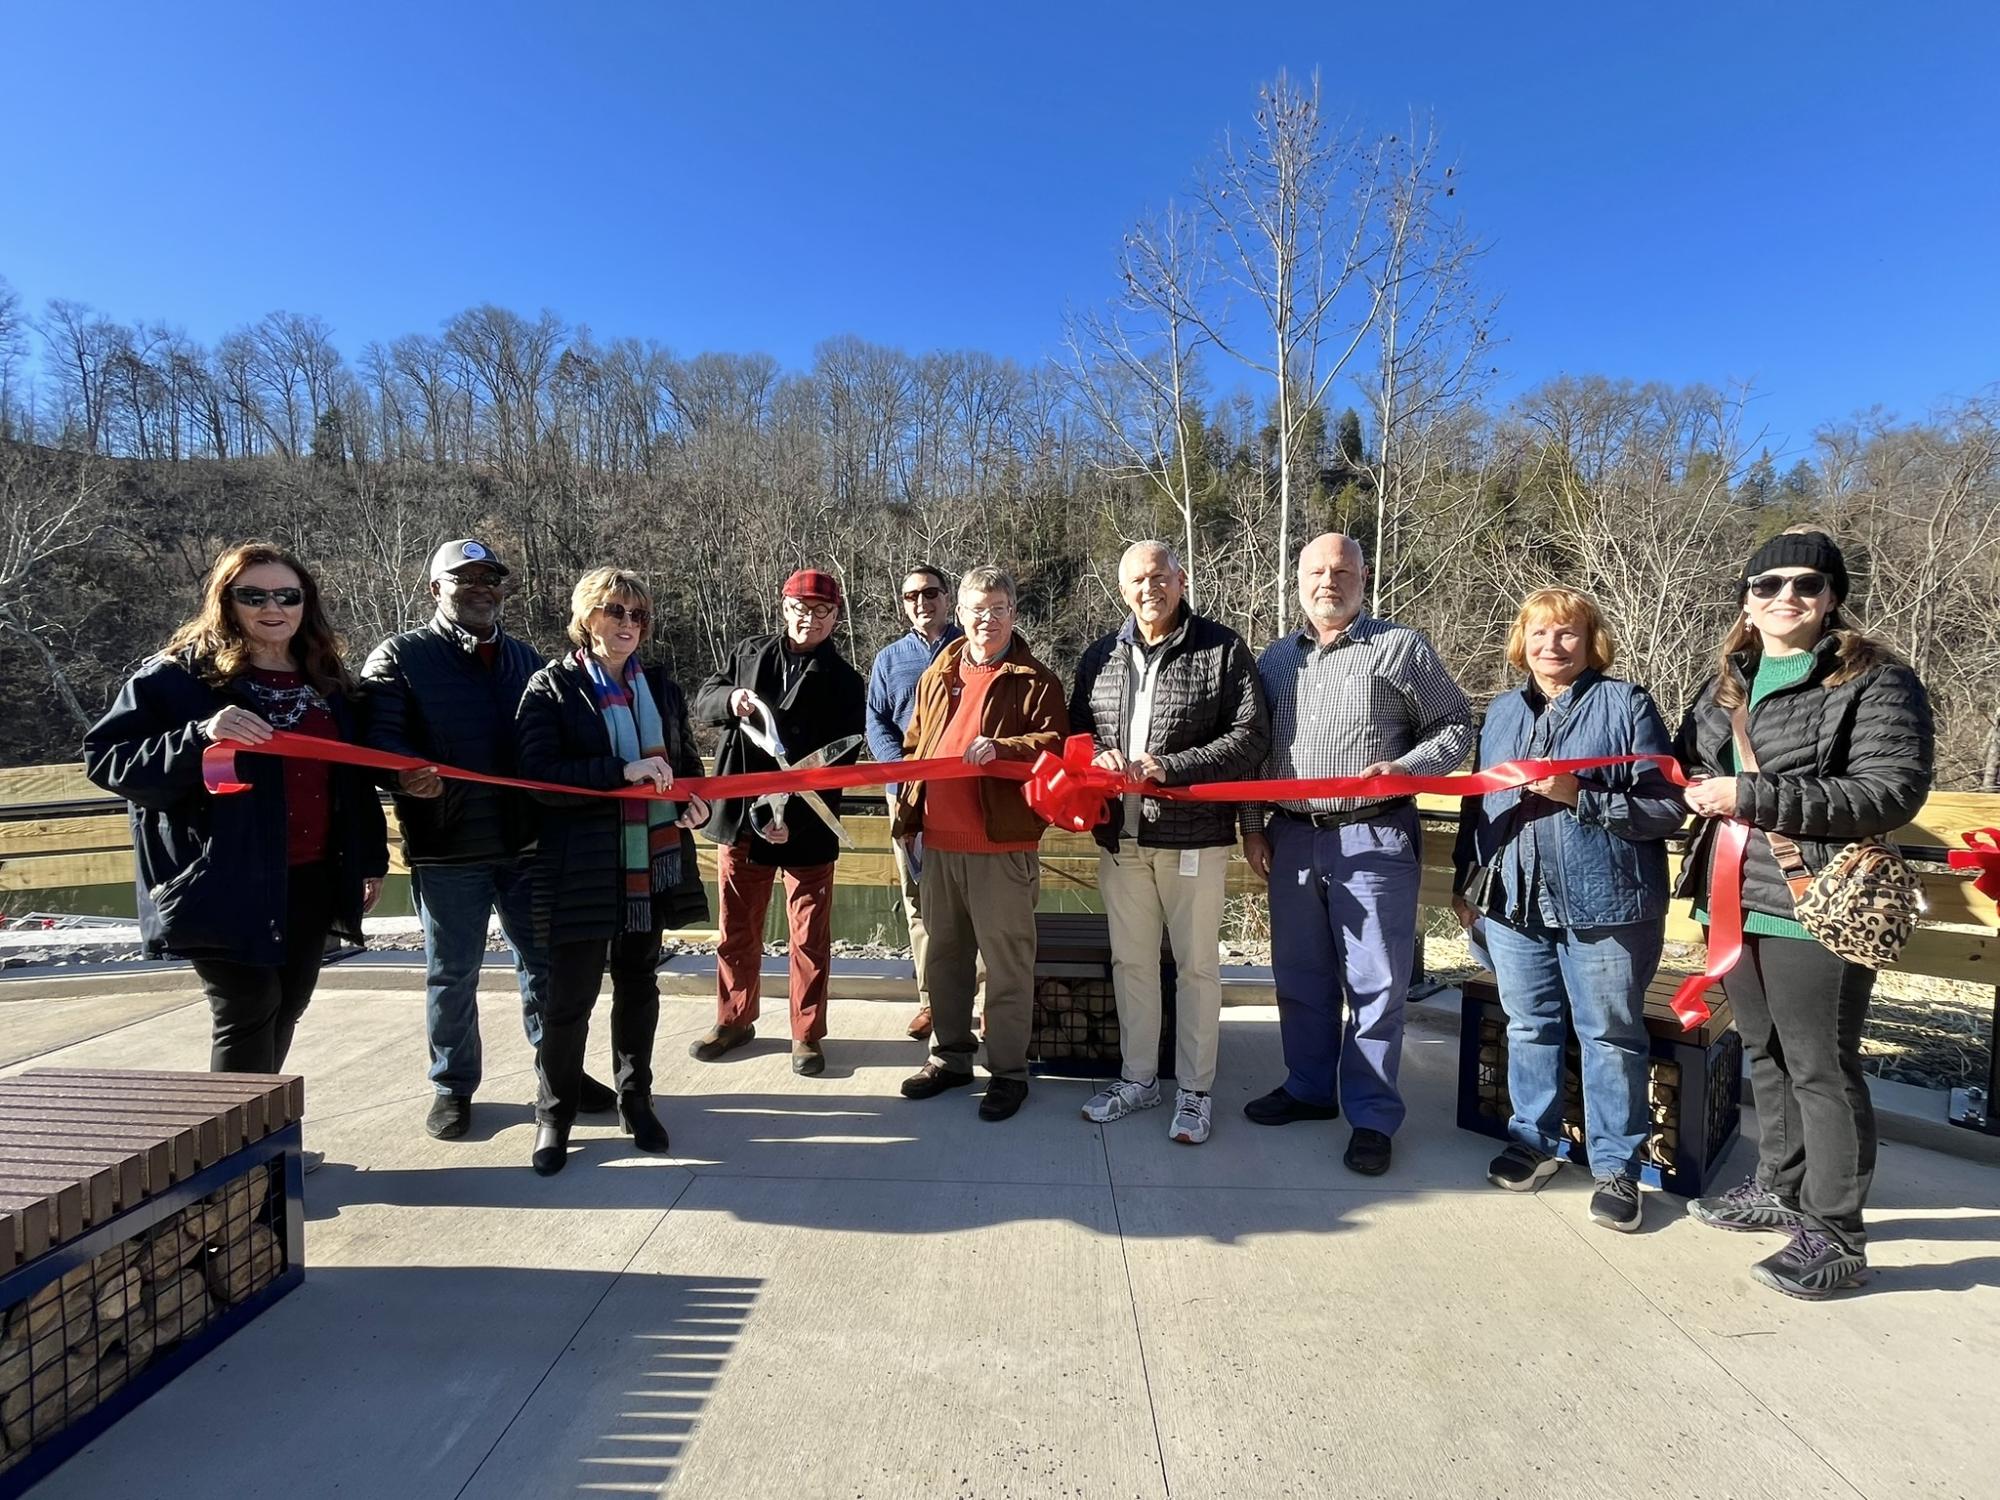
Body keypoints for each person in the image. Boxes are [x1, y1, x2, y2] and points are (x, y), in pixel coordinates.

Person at [1676, 529, 1933, 1297]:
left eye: (1808, 585)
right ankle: (1780, 1188)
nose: (1787, 596)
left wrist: (1745, 794)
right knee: (1766, 1053)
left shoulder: (1876, 680)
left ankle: (1835, 1233)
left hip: (1819, 902)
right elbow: (1693, 763)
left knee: (1822, 1067)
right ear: (1747, 600)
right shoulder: (1729, 680)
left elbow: (1890, 791)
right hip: (1736, 899)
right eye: (1769, 584)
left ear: (1832, 599)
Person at [84, 541, 388, 1083]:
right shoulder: (177, 678)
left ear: (305, 602)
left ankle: (263, 1140)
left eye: (287, 595)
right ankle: (233, 1157)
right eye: (254, 595)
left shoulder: (327, 678)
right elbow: (109, 760)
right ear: (226, 601)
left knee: (287, 1004)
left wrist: (368, 858)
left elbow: (350, 780)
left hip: (311, 876)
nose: (274, 608)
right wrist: (200, 735)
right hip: (223, 877)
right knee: (247, 1010)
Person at [1451, 588, 1686, 1231]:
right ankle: (1536, 1141)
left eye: (1568, 634)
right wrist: (1463, 885)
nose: (1552, 646)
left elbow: (1668, 807)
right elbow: (1478, 806)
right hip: (1512, 899)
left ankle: (1616, 1165)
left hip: (1605, 900)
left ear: (1591, 641)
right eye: (1539, 633)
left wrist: (1579, 793)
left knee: (1609, 1034)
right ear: (1519, 642)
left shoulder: (1625, 705)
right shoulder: (1499, 714)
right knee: (1529, 1024)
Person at [1240, 534, 1473, 1175]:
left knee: (1376, 982)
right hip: (1292, 838)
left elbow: (1456, 727)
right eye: (1315, 571)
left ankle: (1371, 1115)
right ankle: (1309, 1088)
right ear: (1298, 581)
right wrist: (1254, 825)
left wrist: (1405, 767)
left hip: (1373, 835)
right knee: (1301, 974)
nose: (1328, 581)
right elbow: (1259, 753)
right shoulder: (1274, 661)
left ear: (1364, 580)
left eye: (1342, 570)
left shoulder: (1400, 647)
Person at [362, 539, 606, 1143]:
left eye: (490, 578)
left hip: (528, 845)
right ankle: (452, 1086)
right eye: (463, 578)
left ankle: (560, 1074)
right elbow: (374, 739)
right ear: (435, 589)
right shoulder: (400, 656)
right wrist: (400, 773)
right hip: (448, 848)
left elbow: (557, 743)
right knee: (452, 973)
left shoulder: (528, 660)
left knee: (546, 967)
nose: (479, 587)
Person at [1069, 542, 1269, 1146]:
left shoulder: (1222, 649)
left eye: (1160, 576)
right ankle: (1138, 1081)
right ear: (1121, 587)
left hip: (1194, 840)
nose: (1148, 587)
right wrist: (1095, 754)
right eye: (1136, 579)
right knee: (1131, 964)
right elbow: (1077, 731)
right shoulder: (1100, 655)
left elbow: (1250, 738)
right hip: (1120, 838)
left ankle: (1194, 1091)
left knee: (1197, 968)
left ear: (1181, 580)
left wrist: (1170, 766)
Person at [513, 568, 710, 1176]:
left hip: (650, 863)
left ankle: (636, 1099)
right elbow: (537, 777)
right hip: (580, 863)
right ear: (587, 615)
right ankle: (555, 1114)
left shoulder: (664, 689)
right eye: (616, 611)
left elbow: (683, 763)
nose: (629, 624)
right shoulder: (550, 688)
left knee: (638, 986)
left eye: (638, 615)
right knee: (568, 1000)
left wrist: (693, 800)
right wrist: (617, 772)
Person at [896, 567, 1069, 1121]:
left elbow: (1056, 746)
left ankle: (1009, 1071)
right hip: (941, 844)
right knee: (945, 958)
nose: (985, 619)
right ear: (960, 613)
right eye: (976, 608)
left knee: (1007, 965)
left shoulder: (1036, 679)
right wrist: (910, 814)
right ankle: (950, 1057)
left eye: (997, 608)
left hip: (1001, 847)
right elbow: (915, 745)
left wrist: (1005, 747)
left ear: (1013, 615)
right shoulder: (938, 672)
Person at [691, 568, 867, 1076]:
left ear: (835, 617)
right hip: (743, 819)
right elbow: (704, 702)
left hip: (806, 827)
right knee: (734, 929)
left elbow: (842, 763)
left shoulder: (845, 681)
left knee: (809, 937)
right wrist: (731, 700)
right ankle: (733, 1019)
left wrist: (793, 820)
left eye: (820, 610)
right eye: (799, 607)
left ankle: (807, 1033)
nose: (807, 618)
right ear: (783, 607)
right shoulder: (747, 654)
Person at [865, 564, 963, 1041]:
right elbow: (876, 722)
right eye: (910, 596)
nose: (921, 602)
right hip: (905, 798)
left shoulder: (974, 648)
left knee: (971, 898)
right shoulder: (889, 659)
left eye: (930, 593)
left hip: (962, 796)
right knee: (918, 898)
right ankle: (932, 1001)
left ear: (948, 597)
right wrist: (901, 770)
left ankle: (977, 1001)